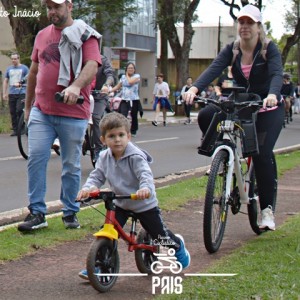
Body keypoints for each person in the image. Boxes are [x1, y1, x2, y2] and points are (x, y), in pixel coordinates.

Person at [182, 4, 284, 231]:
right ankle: (224, 157)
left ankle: (266, 210)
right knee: (207, 114)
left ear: (258, 27)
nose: (245, 26)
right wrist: (195, 89)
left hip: (267, 105)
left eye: (250, 23)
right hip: (242, 101)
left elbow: (277, 73)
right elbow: (214, 68)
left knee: (262, 153)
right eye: (242, 22)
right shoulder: (233, 49)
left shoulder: (269, 48)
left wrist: (272, 95)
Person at [17, 0, 101, 232]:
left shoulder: (85, 35)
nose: (52, 11)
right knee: (36, 159)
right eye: (49, 8)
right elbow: (34, 71)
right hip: (42, 111)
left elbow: (92, 65)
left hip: (73, 114)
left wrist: (75, 87)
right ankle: (37, 213)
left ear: (69, 6)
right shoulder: (42, 35)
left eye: (57, 7)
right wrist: (27, 107)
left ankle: (70, 212)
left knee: (70, 165)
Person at [76, 112, 190, 279]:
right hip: (121, 203)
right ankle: (98, 266)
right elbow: (97, 176)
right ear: (103, 140)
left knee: (160, 237)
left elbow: (145, 175)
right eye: (112, 136)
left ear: (128, 136)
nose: (117, 140)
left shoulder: (135, 156)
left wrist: (145, 189)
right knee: (108, 232)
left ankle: (178, 246)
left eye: (121, 135)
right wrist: (87, 189)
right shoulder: (103, 157)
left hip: (144, 204)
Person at [91, 55, 115, 160]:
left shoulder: (103, 60)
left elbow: (110, 75)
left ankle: (98, 149)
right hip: (84, 95)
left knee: (96, 117)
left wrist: (106, 85)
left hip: (99, 96)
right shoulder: (81, 57)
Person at [110, 62, 141, 137]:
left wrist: (126, 74)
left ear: (134, 70)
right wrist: (109, 91)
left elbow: (130, 82)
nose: (130, 69)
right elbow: (118, 86)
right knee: (123, 115)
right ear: (126, 69)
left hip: (134, 99)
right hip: (124, 99)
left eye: (132, 68)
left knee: (134, 116)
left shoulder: (137, 76)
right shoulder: (123, 77)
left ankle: (133, 130)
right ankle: (123, 129)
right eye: (129, 68)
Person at [3, 53, 29, 136]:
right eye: (12, 59)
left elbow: (29, 79)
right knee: (12, 111)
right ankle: (15, 129)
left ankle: (22, 128)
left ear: (18, 59)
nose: (13, 60)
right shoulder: (9, 69)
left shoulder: (24, 68)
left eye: (15, 59)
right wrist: (4, 93)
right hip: (12, 93)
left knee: (19, 110)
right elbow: (6, 81)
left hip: (22, 92)